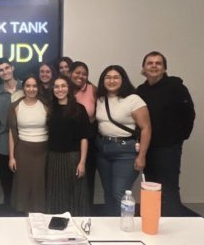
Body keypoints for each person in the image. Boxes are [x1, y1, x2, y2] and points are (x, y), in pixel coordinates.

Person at [136, 51, 195, 216]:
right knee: (151, 187)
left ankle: (173, 223)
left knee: (168, 188)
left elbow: (189, 114)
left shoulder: (176, 87)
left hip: (169, 148)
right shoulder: (140, 91)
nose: (154, 66)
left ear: (164, 68)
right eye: (150, 63)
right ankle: (154, 222)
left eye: (158, 63)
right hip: (148, 148)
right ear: (144, 68)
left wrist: (179, 137)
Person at [95, 65, 151, 215]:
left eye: (116, 77)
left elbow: (146, 128)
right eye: (108, 77)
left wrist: (142, 157)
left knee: (119, 193)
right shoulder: (100, 99)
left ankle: (125, 228)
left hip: (125, 152)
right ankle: (110, 226)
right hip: (103, 149)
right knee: (108, 192)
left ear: (123, 80)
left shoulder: (134, 99)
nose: (111, 80)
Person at [46, 76, 91, 216]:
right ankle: (57, 225)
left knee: (76, 193)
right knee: (56, 193)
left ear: (69, 88)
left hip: (73, 157)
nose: (60, 89)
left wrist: (82, 162)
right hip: (54, 157)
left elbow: (84, 137)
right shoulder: (50, 109)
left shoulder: (79, 109)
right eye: (56, 86)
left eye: (63, 86)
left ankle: (76, 226)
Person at [8, 75, 50, 213]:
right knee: (23, 183)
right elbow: (12, 133)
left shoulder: (46, 105)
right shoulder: (15, 106)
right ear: (23, 88)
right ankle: (24, 214)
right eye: (28, 86)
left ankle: (39, 215)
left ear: (38, 88)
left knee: (39, 183)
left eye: (34, 86)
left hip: (43, 151)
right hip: (23, 150)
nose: (31, 89)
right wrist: (11, 157)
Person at [69, 61, 98, 210]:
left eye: (84, 74)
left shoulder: (93, 90)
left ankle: (86, 210)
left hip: (89, 141)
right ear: (70, 73)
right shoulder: (63, 88)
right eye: (77, 72)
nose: (80, 76)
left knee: (86, 177)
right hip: (68, 143)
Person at [0, 58, 22, 211]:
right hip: (3, 143)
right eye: (1, 70)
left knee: (23, 181)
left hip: (25, 141)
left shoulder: (26, 87)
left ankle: (22, 211)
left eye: (7, 68)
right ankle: (9, 212)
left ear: (13, 68)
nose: (5, 72)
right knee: (6, 181)